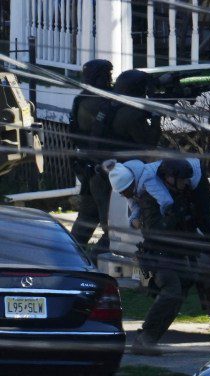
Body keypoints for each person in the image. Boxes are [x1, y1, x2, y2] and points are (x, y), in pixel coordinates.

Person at [132, 159, 210, 355]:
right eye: (182, 179)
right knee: (171, 290)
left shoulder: (184, 194)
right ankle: (145, 338)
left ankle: (149, 339)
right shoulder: (151, 197)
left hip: (181, 255)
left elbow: (203, 223)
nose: (186, 182)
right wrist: (172, 215)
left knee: (179, 294)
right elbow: (153, 232)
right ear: (168, 178)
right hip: (160, 255)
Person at [69, 59, 114, 256]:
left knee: (86, 218)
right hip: (103, 171)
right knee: (111, 223)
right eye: (107, 75)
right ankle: (96, 260)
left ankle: (69, 256)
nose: (110, 79)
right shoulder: (100, 102)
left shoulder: (81, 98)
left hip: (88, 167)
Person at [90, 69, 163, 156]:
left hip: (104, 158)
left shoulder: (107, 106)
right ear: (137, 90)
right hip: (125, 163)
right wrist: (156, 115)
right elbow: (151, 144)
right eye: (144, 89)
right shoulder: (132, 114)